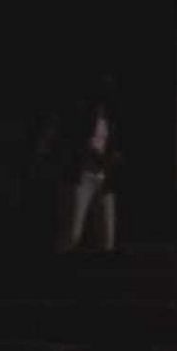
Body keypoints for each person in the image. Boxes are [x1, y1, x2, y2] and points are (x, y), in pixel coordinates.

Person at [56, 87, 121, 252]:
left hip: (104, 179)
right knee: (72, 234)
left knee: (107, 239)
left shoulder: (110, 122)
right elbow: (73, 146)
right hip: (82, 177)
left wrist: (111, 159)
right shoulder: (79, 117)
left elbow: (112, 149)